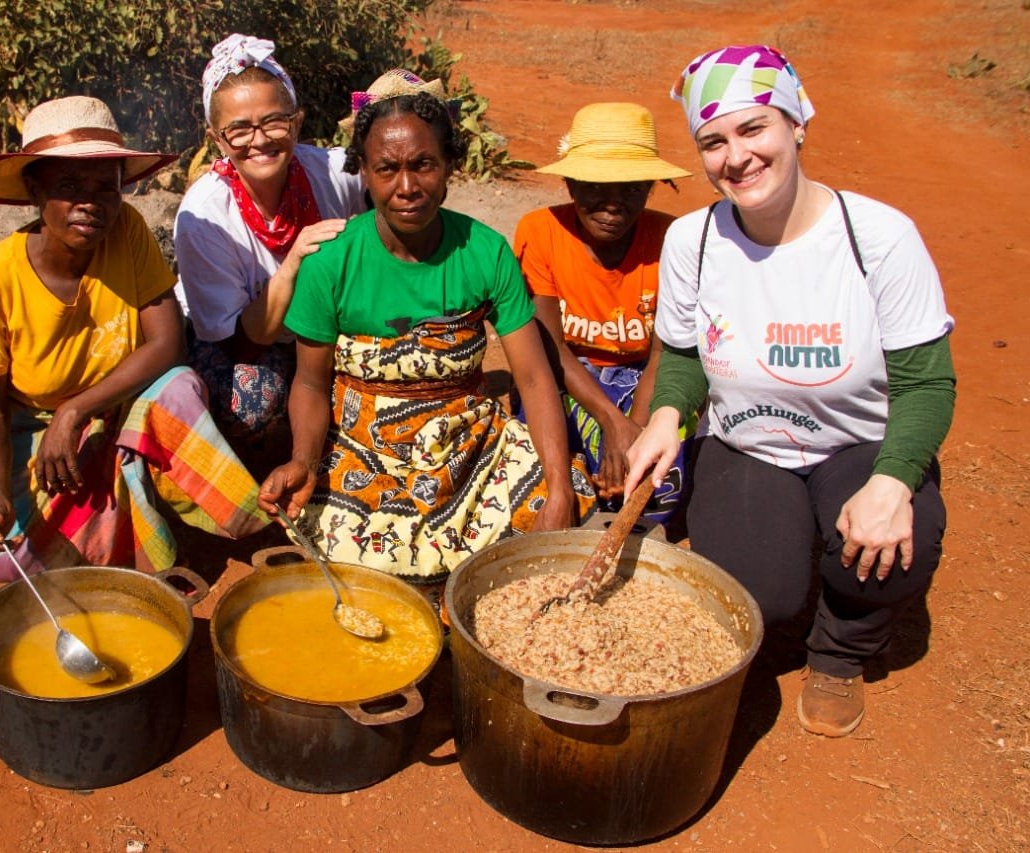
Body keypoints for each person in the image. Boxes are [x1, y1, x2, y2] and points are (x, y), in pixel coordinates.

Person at [624, 45, 955, 737]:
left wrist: (895, 481)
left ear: (797, 121)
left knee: (900, 544)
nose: (735, 157)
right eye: (713, 141)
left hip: (858, 444)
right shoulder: (695, 240)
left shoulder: (879, 238)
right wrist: (665, 416)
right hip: (749, 445)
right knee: (754, 593)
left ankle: (840, 650)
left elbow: (926, 381)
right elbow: (683, 354)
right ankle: (782, 613)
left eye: (754, 129)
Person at [257, 85, 597, 585]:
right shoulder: (331, 262)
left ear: (449, 166)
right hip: (363, 451)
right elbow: (310, 384)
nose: (407, 186)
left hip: (469, 446)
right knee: (367, 554)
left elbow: (532, 376)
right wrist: (304, 460)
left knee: (556, 501)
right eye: (386, 168)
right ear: (364, 174)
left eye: (424, 164)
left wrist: (558, 484)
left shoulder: (485, 251)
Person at [0, 95, 268, 581]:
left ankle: (238, 520)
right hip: (31, 424)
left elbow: (168, 345)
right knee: (2, 550)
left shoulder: (128, 231)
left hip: (120, 404)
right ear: (36, 192)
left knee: (179, 390)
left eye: (107, 187)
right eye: (70, 186)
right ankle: (110, 514)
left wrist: (75, 409)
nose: (91, 203)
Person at [173, 34, 364, 445]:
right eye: (239, 130)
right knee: (249, 399)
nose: (259, 140)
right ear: (217, 139)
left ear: (297, 121)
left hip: (320, 331)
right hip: (244, 342)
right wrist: (292, 266)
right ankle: (260, 471)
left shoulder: (337, 174)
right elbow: (240, 345)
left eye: (274, 122)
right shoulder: (205, 216)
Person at [513, 102, 693, 522]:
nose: (613, 204)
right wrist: (612, 422)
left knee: (659, 486)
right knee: (544, 476)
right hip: (567, 374)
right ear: (570, 184)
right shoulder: (540, 232)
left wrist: (637, 429)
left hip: (641, 379)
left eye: (631, 188)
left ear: (650, 187)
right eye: (595, 186)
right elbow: (550, 348)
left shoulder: (671, 239)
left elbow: (662, 355)